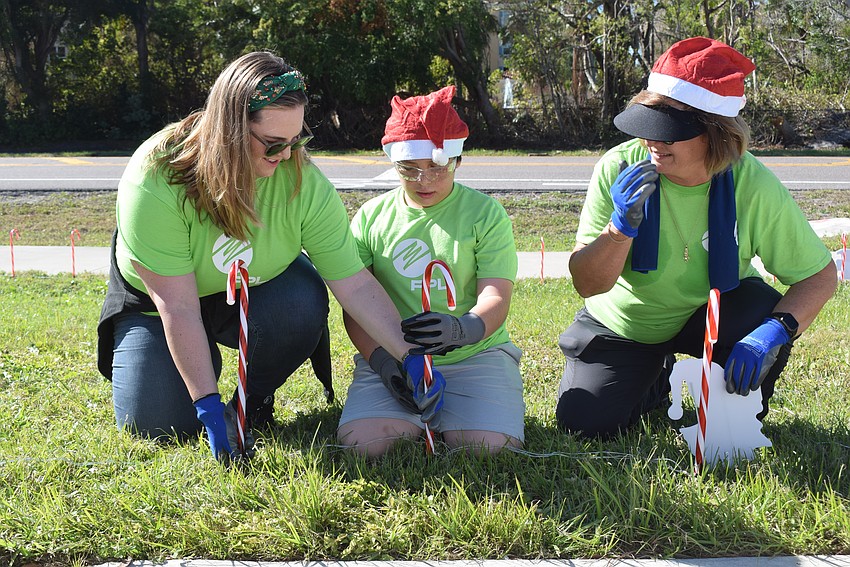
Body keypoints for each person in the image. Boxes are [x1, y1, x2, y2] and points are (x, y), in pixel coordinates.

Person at [96, 51, 416, 462]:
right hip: (160, 306)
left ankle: (252, 399)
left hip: (255, 290)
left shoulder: (302, 181)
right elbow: (177, 305)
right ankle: (201, 383)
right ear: (228, 130)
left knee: (302, 300)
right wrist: (207, 406)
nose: (286, 156)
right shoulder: (156, 177)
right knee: (161, 426)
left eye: (296, 140)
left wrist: (409, 357)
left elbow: (352, 282)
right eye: (273, 144)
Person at [556, 37, 837, 438]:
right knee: (585, 424)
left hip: (708, 313)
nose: (651, 142)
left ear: (716, 134)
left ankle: (735, 408)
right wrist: (618, 230)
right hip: (626, 323)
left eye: (668, 133)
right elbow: (587, 282)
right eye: (647, 125)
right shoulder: (619, 167)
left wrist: (772, 333)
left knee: (760, 311)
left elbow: (819, 275)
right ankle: (653, 378)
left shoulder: (751, 184)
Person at [336, 86, 525, 457]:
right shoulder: (371, 218)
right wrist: (384, 361)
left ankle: (469, 412)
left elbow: (496, 295)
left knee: (489, 449)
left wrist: (462, 329)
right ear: (393, 163)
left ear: (457, 160)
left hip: (475, 355)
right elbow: (355, 307)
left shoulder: (485, 214)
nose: (425, 181)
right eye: (409, 169)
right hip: (395, 357)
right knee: (364, 446)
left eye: (437, 167)